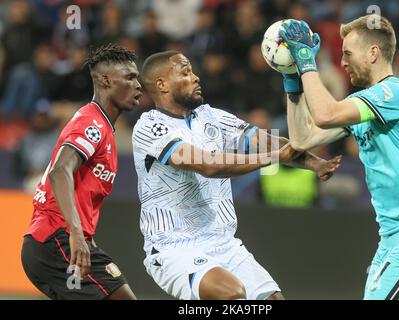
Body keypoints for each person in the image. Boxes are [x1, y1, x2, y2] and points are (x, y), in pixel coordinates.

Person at [132, 50, 342, 300]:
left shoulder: (213, 117)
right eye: (186, 72)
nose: (196, 77)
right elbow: (207, 165)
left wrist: (313, 163)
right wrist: (276, 159)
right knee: (231, 294)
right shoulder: (150, 126)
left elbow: (269, 143)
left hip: (225, 243)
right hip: (175, 248)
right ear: (162, 85)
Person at [279, 16, 399, 299]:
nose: (342, 62)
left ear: (373, 53)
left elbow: (325, 114)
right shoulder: (364, 104)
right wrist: (293, 82)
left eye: (347, 53)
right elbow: (302, 139)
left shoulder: (395, 92)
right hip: (391, 238)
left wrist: (308, 61)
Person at [21, 43, 142, 300]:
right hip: (57, 239)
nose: (138, 85)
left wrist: (86, 239)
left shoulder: (105, 128)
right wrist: (76, 234)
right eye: (130, 77)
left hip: (53, 243)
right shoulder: (92, 123)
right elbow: (59, 171)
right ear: (107, 81)